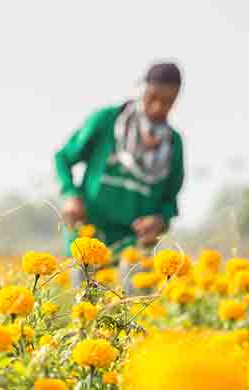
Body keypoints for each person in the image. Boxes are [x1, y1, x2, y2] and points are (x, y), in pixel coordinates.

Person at [56, 62, 184, 273]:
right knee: (84, 303)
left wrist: (159, 220)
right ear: (141, 89)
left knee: (131, 302)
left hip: (133, 250)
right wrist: (70, 195)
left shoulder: (173, 145)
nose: (158, 107)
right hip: (88, 238)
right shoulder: (107, 121)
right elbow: (63, 158)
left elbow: (170, 200)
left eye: (168, 102)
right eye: (153, 97)